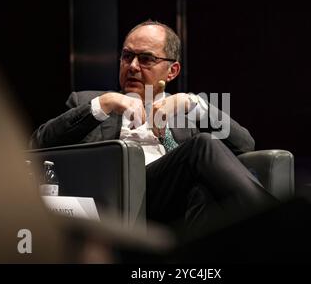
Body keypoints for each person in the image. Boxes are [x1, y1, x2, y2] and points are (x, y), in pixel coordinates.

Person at [31, 20, 277, 237]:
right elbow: (39, 143)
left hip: (176, 206)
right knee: (202, 145)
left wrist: (193, 103)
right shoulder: (88, 102)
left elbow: (244, 144)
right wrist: (104, 104)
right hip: (118, 198)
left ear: (172, 71)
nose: (133, 66)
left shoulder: (186, 114)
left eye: (146, 59)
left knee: (203, 190)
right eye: (127, 56)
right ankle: (281, 224)